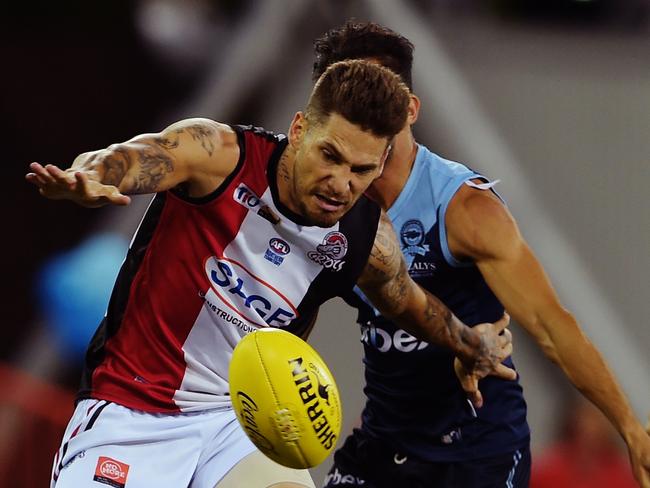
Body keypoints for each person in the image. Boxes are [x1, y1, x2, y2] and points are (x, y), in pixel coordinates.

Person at [26, 60, 514, 488]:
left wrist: (471, 346)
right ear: (300, 129)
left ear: (381, 162)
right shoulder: (219, 155)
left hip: (240, 420)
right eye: (330, 156)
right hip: (132, 409)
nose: (340, 184)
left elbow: (408, 301)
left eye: (361, 170)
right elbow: (134, 156)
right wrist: (91, 176)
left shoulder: (366, 239)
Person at [312, 21, 650, 488]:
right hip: (385, 445)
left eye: (375, 100)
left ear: (409, 109)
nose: (360, 115)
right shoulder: (322, 199)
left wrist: (630, 429)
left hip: (475, 457)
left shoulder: (465, 209)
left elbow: (552, 328)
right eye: (345, 103)